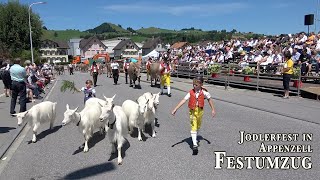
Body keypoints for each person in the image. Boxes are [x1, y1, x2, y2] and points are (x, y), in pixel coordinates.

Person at [171, 76, 216, 155]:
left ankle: (195, 137)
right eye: (193, 84)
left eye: (196, 85)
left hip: (200, 111)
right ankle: (195, 145)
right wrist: (175, 109)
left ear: (201, 84)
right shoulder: (190, 92)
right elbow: (184, 100)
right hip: (192, 111)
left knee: (198, 126)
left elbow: (209, 100)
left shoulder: (205, 93)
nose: (194, 86)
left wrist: (213, 109)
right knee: (193, 126)